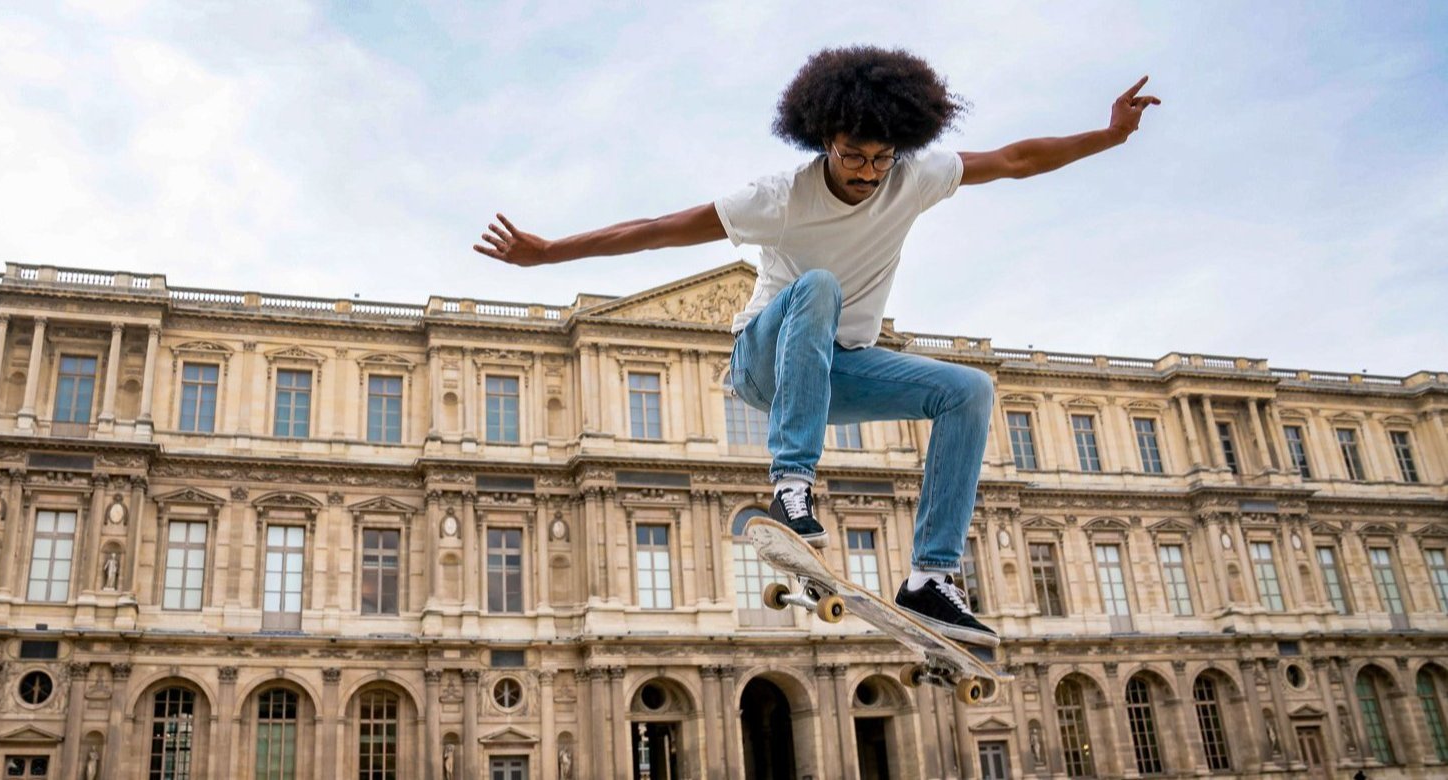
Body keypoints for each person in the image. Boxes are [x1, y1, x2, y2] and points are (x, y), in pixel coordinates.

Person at [475, 46, 1159, 647]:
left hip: (840, 373)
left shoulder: (913, 176)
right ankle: (792, 487)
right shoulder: (777, 197)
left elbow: (1013, 159)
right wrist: (549, 253)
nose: (866, 173)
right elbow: (658, 228)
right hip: (763, 361)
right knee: (818, 285)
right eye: (852, 156)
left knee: (969, 390)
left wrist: (1108, 136)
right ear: (822, 140)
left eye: (879, 159)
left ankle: (930, 574)